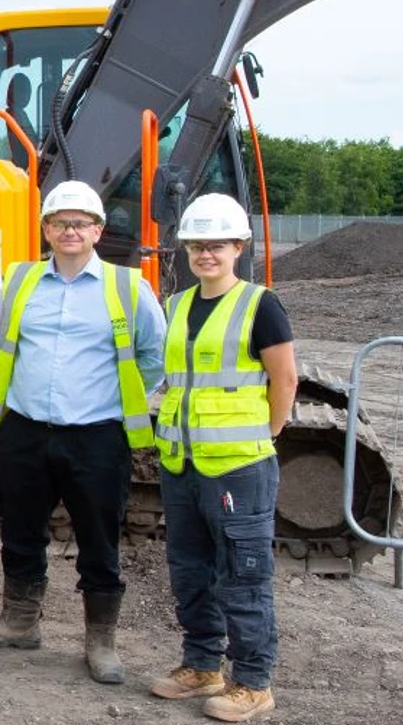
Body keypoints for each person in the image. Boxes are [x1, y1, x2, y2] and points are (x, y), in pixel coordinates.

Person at [0, 180, 166, 685]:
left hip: (97, 436)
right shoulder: (20, 280)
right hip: (25, 430)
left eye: (80, 223)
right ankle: (19, 621)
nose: (70, 230)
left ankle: (100, 640)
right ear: (46, 228)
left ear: (97, 231)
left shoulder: (128, 287)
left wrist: (115, 398)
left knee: (98, 536)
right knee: (21, 527)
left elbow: (153, 358)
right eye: (60, 222)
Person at [147, 194, 295, 723]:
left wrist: (263, 436)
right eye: (195, 246)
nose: (205, 254)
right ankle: (202, 665)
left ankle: (253, 681)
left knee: (243, 575)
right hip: (183, 464)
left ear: (238, 247)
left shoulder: (260, 305)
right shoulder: (178, 305)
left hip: (239, 468)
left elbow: (285, 380)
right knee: (190, 570)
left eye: (216, 245)